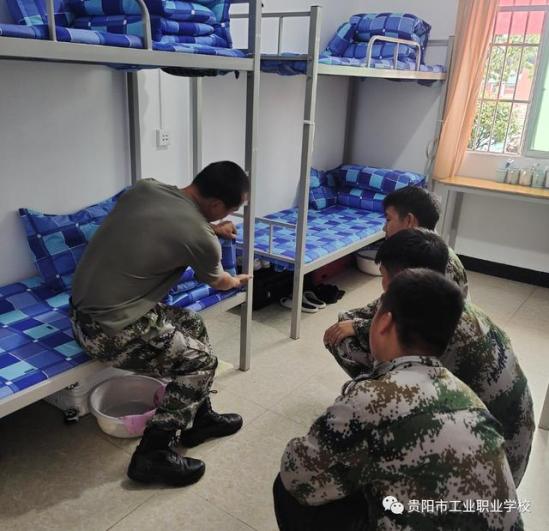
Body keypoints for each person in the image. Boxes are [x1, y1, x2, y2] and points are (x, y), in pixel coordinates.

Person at [276, 269, 523, 530]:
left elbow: (295, 474)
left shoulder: (373, 399)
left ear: (383, 323)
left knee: (287, 491)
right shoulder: (466, 395)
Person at [70, 161, 252, 487]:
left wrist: (212, 229)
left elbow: (166, 223)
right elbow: (219, 281)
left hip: (85, 312)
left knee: (193, 324)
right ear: (215, 205)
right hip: (106, 331)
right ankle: (152, 454)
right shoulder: (200, 237)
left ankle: (199, 419)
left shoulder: (145, 188)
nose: (231, 216)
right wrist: (237, 280)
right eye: (232, 210)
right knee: (202, 361)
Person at [324, 229, 534, 487]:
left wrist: (365, 398)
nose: (382, 284)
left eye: (384, 276)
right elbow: (372, 314)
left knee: (352, 347)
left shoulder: (430, 326)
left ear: (403, 277)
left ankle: (382, 421)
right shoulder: (446, 299)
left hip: (487, 464)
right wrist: (357, 323)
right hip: (504, 450)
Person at [383, 186, 469, 298]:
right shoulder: (426, 249)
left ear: (409, 220)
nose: (384, 228)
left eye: (388, 219)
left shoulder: (432, 263)